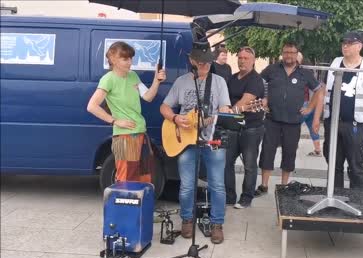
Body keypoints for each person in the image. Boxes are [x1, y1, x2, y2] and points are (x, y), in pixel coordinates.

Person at [160, 41, 231, 244]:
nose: (205, 67)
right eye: (201, 63)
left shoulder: (218, 82)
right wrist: (175, 118)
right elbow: (164, 107)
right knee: (187, 186)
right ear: (192, 61)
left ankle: (217, 224)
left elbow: (225, 107)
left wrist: (224, 112)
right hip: (185, 140)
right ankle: (187, 219)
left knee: (217, 185)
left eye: (208, 63)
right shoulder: (181, 82)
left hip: (212, 139)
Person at [87, 41, 165, 183]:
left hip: (141, 133)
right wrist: (115, 121)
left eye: (130, 58)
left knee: (144, 177)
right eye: (125, 59)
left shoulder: (133, 76)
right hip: (124, 137)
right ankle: (124, 204)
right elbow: (92, 106)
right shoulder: (108, 79)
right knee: (126, 177)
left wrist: (156, 81)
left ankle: (139, 205)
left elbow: (148, 97)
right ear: (113, 60)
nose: (129, 62)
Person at [312, 31, 363, 188]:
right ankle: (334, 197)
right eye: (344, 43)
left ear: (359, 46)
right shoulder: (335, 63)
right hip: (333, 122)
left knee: (356, 165)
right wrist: (316, 118)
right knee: (333, 163)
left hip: (357, 124)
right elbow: (323, 92)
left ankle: (356, 200)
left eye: (349, 44)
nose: (345, 46)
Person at [255, 42, 321, 196]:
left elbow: (318, 90)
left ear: (297, 54)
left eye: (292, 52)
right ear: (282, 53)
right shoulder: (272, 69)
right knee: (267, 152)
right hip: (272, 119)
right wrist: (263, 99)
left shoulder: (304, 73)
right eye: (286, 52)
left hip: (293, 121)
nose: (289, 55)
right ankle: (264, 186)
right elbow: (257, 83)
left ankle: (284, 186)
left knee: (289, 153)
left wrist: (310, 108)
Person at [224, 46, 265, 208]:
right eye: (240, 58)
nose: (242, 61)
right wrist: (226, 109)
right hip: (233, 128)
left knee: (249, 165)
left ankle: (246, 198)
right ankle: (229, 197)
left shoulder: (255, 80)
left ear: (253, 61)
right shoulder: (232, 78)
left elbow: (245, 102)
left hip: (251, 128)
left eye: (246, 58)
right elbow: (224, 99)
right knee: (227, 163)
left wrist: (229, 110)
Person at [297, 52, 322, 157]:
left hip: (303, 104)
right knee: (313, 127)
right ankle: (317, 150)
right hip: (311, 103)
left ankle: (292, 146)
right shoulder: (308, 72)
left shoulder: (299, 73)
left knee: (293, 126)